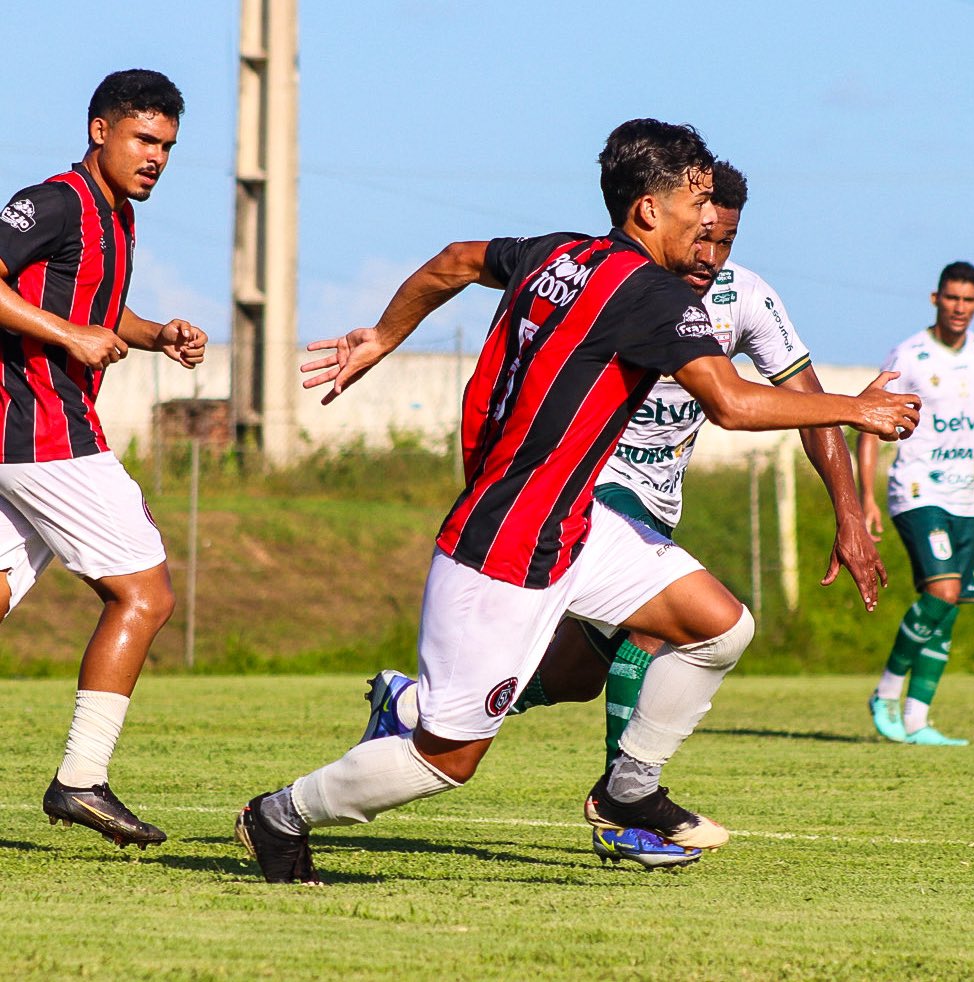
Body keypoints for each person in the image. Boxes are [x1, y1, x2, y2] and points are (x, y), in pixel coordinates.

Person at [235, 119, 920, 883]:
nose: (707, 217)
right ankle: (281, 813)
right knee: (446, 762)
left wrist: (385, 336)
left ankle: (630, 791)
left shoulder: (556, 251)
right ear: (648, 210)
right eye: (695, 200)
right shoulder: (650, 295)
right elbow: (728, 402)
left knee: (718, 625)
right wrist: (855, 410)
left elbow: (454, 261)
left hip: (574, 524)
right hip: (506, 545)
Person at [0, 69, 206, 848]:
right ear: (100, 131)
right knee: (145, 597)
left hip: (28, 433)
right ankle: (81, 780)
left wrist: (156, 335)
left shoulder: (116, 216)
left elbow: (88, 305)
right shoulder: (55, 200)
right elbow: (58, 315)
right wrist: (69, 338)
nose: (155, 157)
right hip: (40, 429)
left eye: (167, 146)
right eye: (144, 139)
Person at [856, 261, 974, 747]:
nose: (958, 307)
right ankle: (886, 692)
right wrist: (866, 496)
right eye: (950, 298)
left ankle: (917, 719)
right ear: (936, 299)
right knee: (943, 592)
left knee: (949, 611)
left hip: (964, 499)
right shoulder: (909, 355)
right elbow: (869, 421)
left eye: (966, 300)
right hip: (917, 490)